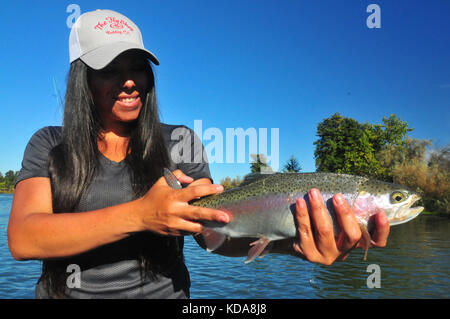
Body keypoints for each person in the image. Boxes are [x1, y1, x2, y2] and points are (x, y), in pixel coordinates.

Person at [7, 9, 390, 299]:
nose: (129, 81)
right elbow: (24, 238)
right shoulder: (49, 144)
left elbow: (212, 234)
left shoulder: (181, 141)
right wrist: (142, 215)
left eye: (137, 68)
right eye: (109, 69)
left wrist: (290, 243)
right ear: (83, 79)